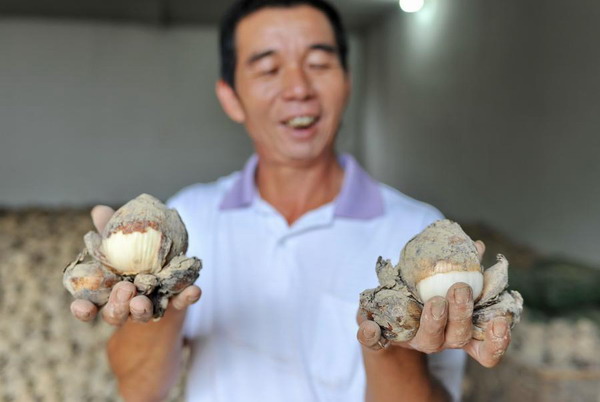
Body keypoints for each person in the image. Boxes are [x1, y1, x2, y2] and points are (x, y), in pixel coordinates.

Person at [70, 1, 512, 401]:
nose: (298, 87)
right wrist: (153, 287)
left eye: (319, 63)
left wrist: (390, 339)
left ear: (347, 81)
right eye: (268, 69)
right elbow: (139, 390)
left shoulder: (418, 235)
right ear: (231, 97)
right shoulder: (189, 221)